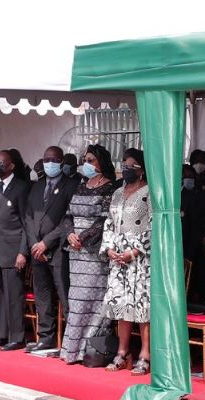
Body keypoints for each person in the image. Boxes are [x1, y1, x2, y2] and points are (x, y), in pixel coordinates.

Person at [59, 144, 117, 364]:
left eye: (91, 160)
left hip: (94, 251)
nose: (87, 163)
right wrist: (70, 234)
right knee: (76, 301)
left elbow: (104, 220)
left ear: (101, 162)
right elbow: (67, 215)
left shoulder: (110, 188)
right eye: (85, 159)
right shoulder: (81, 185)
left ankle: (87, 349)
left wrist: (82, 238)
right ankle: (71, 350)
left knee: (90, 302)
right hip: (75, 252)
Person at [24, 146, 80, 352]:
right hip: (37, 251)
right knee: (42, 294)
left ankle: (69, 340)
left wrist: (46, 242)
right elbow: (28, 216)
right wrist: (34, 244)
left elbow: (67, 219)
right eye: (46, 159)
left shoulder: (71, 185)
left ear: (62, 162)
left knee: (64, 294)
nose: (49, 164)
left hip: (58, 250)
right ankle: (45, 337)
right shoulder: (37, 186)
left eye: (54, 160)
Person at [102, 148, 153, 375]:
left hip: (139, 259)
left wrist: (134, 251)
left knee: (141, 306)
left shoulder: (150, 192)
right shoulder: (117, 193)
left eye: (131, 164)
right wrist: (110, 248)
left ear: (142, 169)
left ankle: (145, 354)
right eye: (124, 163)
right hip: (118, 259)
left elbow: (154, 225)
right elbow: (109, 223)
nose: (125, 167)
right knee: (122, 306)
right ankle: (122, 352)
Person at [0, 150, 30, 351]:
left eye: (1, 162)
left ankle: (17, 337)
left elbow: (27, 222)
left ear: (11, 166)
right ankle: (2, 334)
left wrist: (22, 252)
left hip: (13, 251)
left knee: (13, 295)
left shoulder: (21, 187)